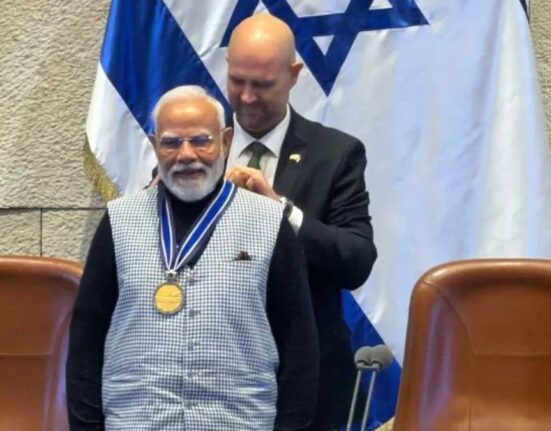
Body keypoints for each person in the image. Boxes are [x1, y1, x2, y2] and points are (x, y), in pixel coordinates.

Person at [66, 85, 319, 430]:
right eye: (171, 143)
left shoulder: (270, 223)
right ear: (154, 146)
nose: (186, 154)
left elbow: (299, 350)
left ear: (226, 142)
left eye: (201, 141)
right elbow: (86, 344)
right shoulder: (119, 222)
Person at [225, 14, 378, 431]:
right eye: (237, 81)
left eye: (262, 85)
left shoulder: (336, 154)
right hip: (211, 380)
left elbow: (356, 260)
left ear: (293, 75)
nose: (247, 98)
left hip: (307, 384)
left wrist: (282, 212)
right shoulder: (196, 151)